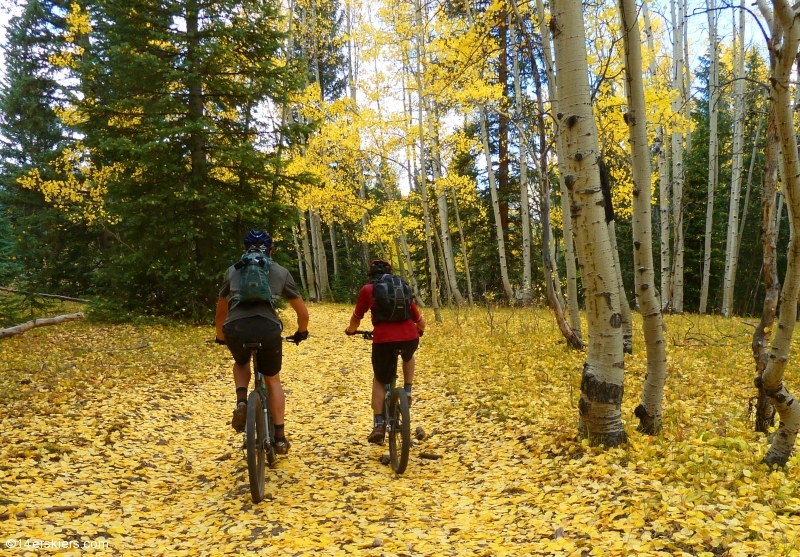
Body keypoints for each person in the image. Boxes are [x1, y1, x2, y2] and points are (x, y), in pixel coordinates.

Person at [215, 230, 309, 455]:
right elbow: (303, 313)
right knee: (273, 379)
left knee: (240, 362)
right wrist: (301, 332)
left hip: (236, 327)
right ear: (271, 250)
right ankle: (278, 437)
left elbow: (220, 312)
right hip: (267, 328)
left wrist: (221, 336)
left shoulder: (233, 271)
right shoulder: (280, 272)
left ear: (245, 250)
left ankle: (241, 402)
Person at [345, 259, 425, 444]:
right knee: (409, 355)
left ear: (370, 275)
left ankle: (379, 423)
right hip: (409, 337)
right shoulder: (400, 287)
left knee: (380, 379)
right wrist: (418, 330)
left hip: (383, 340)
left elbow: (357, 317)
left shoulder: (368, 290)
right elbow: (420, 322)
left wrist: (351, 330)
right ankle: (407, 390)